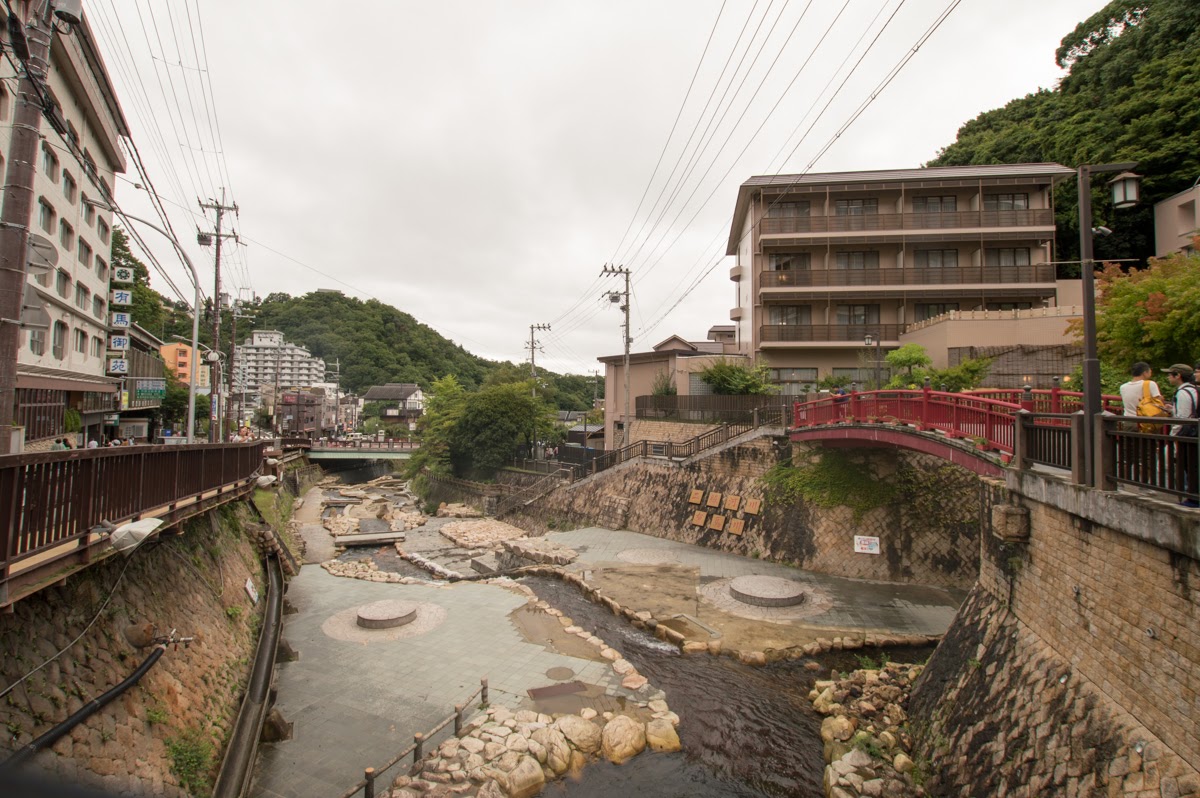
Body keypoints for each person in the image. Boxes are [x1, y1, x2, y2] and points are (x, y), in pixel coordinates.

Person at [1165, 363, 1199, 507]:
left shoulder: (1182, 392)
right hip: (1194, 430)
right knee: (1192, 464)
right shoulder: (1194, 389)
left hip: (1187, 432)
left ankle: (1192, 497)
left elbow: (1183, 418)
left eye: (1170, 374)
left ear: (1178, 376)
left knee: (1188, 465)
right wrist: (1172, 410)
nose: (1168, 377)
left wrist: (1173, 437)